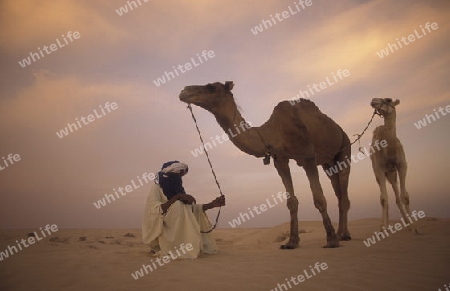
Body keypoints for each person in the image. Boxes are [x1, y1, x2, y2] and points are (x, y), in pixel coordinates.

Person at [142, 161, 225, 259]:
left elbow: (190, 210)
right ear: (168, 175)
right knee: (178, 205)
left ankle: (186, 245)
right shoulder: (156, 188)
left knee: (181, 205)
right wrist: (177, 198)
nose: (178, 179)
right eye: (176, 175)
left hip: (176, 225)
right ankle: (170, 246)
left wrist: (212, 204)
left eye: (180, 177)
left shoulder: (177, 190)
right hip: (162, 231)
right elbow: (155, 211)